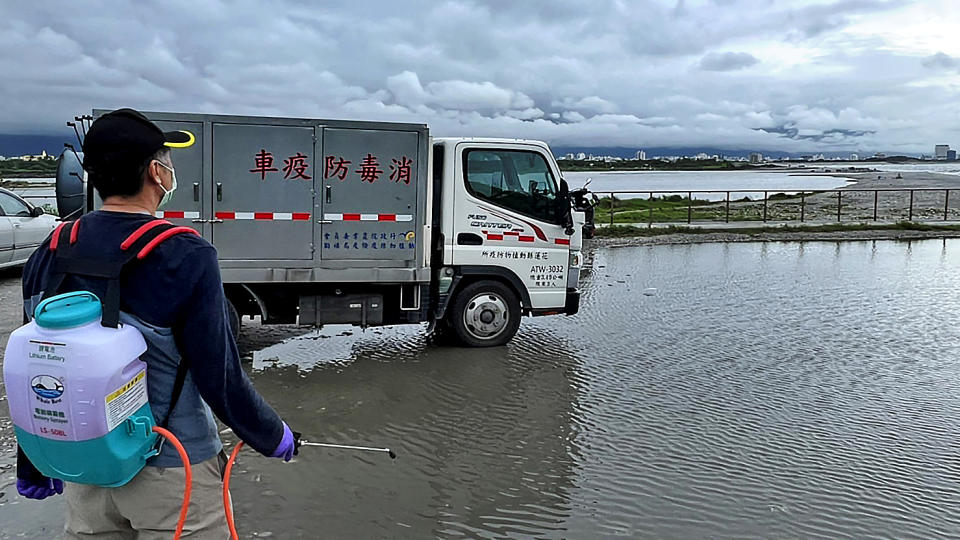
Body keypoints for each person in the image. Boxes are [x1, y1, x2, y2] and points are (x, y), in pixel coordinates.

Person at [15, 108, 298, 538]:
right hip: (173, 470)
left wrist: (35, 460)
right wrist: (273, 435)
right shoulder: (184, 255)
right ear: (155, 173)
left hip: (86, 467)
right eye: (167, 159)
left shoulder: (51, 250)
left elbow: (38, 368)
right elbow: (219, 377)